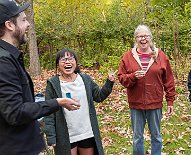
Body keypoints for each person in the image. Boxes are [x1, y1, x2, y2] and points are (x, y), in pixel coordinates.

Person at [0, 1, 80, 155]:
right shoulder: (4, 61)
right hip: (17, 148)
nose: (28, 24)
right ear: (10, 25)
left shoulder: (9, 56)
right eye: (23, 20)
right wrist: (57, 102)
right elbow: (15, 112)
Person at [44, 48, 115, 155]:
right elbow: (49, 111)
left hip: (86, 132)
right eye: (63, 59)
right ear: (58, 64)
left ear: (76, 62)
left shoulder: (85, 79)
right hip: (65, 135)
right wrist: (51, 136)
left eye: (71, 59)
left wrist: (109, 82)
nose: (67, 62)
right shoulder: (53, 84)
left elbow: (99, 96)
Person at [118, 24, 176, 155]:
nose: (143, 39)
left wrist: (170, 100)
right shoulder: (128, 57)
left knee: (156, 135)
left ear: (150, 37)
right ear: (135, 39)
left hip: (154, 103)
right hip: (136, 104)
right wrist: (132, 76)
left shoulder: (161, 56)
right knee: (137, 137)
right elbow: (121, 78)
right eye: (139, 36)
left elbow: (169, 80)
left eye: (145, 36)